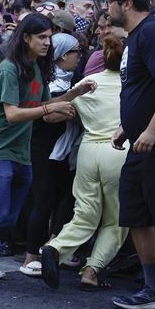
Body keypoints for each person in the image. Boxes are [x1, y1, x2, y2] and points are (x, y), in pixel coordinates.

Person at [0, 13, 94, 278]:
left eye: (49, 37)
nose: (47, 42)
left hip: (22, 153)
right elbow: (13, 113)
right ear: (26, 38)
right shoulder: (9, 68)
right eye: (42, 37)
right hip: (0, 150)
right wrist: (51, 107)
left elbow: (46, 109)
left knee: (7, 219)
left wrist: (76, 93)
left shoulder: (37, 67)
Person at [39, 35, 129, 290]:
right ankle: (92, 271)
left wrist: (74, 94)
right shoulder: (133, 84)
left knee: (85, 214)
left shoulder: (88, 83)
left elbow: (49, 113)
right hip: (119, 151)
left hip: (88, 152)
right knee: (116, 220)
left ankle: (55, 247)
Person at [104, 0, 155, 309]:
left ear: (127, 3)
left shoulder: (152, 32)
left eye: (110, 1)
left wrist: (152, 130)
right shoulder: (136, 36)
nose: (106, 7)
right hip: (138, 144)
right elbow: (143, 89)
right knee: (137, 215)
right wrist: (127, 126)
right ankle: (153, 289)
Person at [20, 33, 83, 277]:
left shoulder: (71, 80)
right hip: (43, 148)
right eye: (76, 51)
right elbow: (50, 116)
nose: (80, 56)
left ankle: (55, 249)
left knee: (65, 196)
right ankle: (31, 257)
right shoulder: (48, 80)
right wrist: (76, 100)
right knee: (44, 200)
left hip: (62, 151)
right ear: (64, 55)